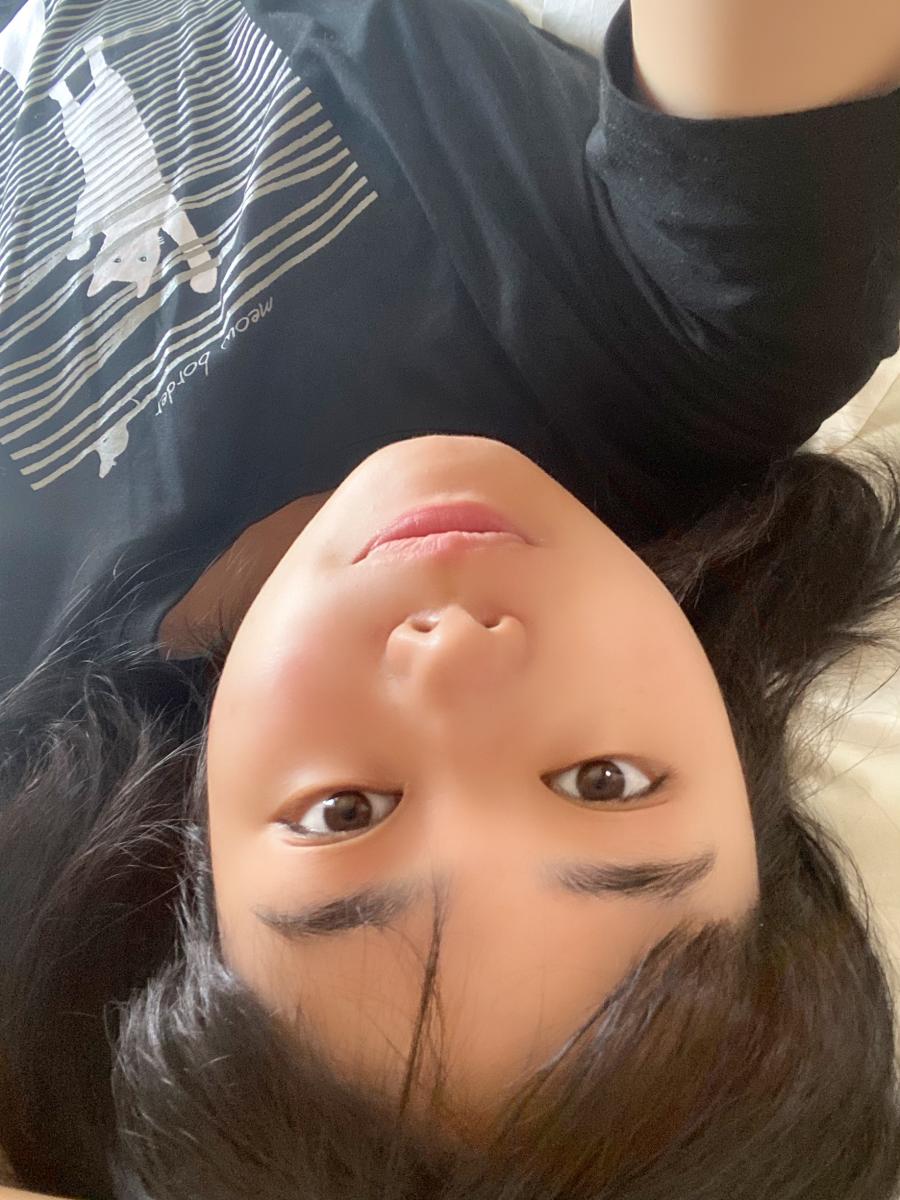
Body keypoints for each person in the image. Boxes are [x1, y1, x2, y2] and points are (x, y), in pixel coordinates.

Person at [1, 0, 899, 1197]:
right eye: (604, 782)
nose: (454, 651)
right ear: (754, 795)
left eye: (347, 811)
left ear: (188, 875)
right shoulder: (705, 335)